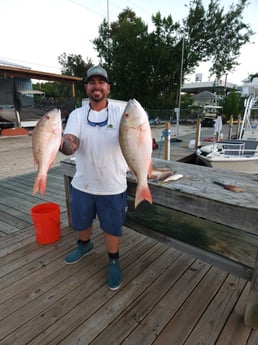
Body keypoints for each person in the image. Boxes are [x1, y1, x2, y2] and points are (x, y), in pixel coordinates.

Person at [60, 65, 128, 290]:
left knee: (111, 227)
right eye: (92, 82)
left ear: (108, 87)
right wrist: (63, 144)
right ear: (87, 87)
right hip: (83, 182)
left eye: (101, 82)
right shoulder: (78, 115)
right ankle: (84, 244)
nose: (96, 86)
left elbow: (138, 136)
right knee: (82, 221)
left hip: (113, 185)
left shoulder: (122, 113)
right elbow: (70, 144)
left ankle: (114, 260)